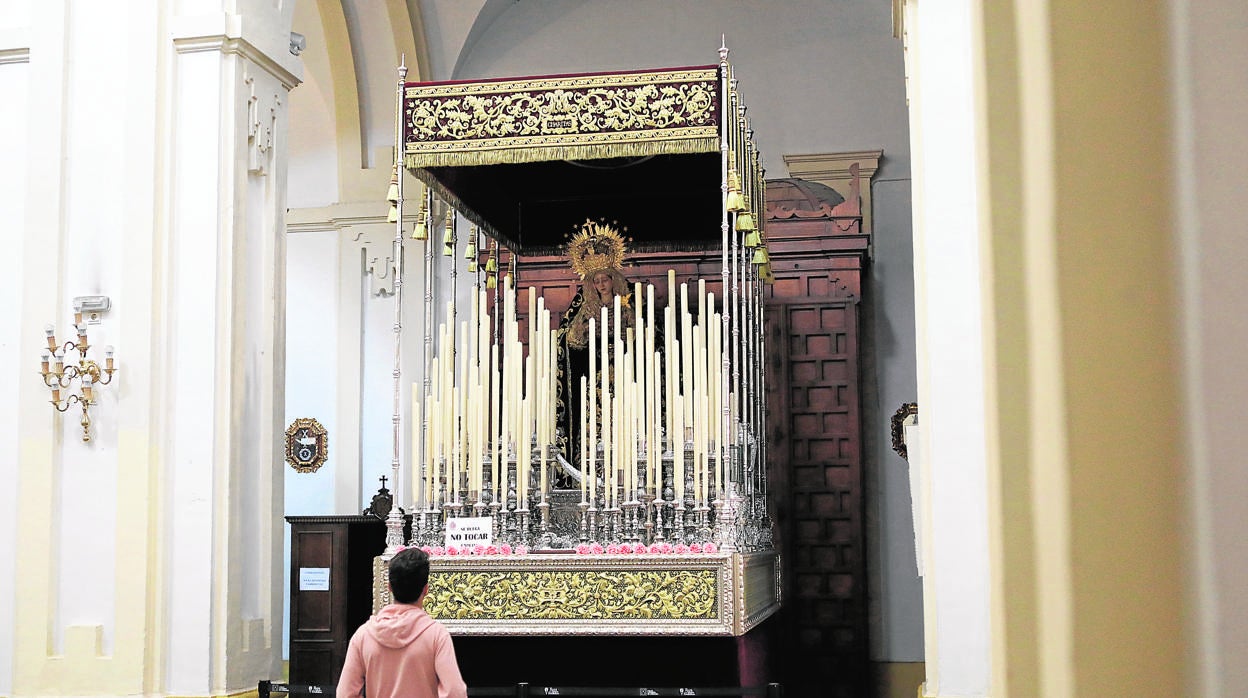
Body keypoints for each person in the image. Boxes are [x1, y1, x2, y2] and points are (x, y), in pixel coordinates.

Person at [554, 220, 636, 487]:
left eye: (605, 279)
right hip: (595, 378)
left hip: (622, 375)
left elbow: (643, 336)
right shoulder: (584, 307)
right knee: (594, 423)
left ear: (614, 279)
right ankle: (589, 473)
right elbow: (571, 341)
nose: (601, 284)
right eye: (596, 280)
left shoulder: (628, 304)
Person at [337, 548, 467, 698]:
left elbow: (345, 694)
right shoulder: (436, 635)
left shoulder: (363, 636)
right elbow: (455, 692)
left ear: (389, 587)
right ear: (426, 589)